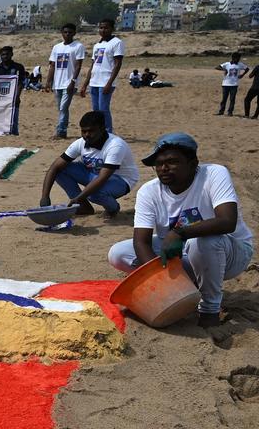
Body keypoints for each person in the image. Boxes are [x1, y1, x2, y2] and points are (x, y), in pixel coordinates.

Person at [107, 133, 253, 327]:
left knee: (203, 240)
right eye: (158, 164)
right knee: (118, 253)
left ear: (193, 163)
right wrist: (163, 285)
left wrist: (179, 232)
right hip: (181, 252)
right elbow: (141, 241)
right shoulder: (149, 191)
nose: (163, 168)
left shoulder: (214, 174)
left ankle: (210, 309)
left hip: (231, 253)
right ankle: (183, 285)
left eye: (172, 162)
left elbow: (227, 221)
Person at [39, 110, 138, 218]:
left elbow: (102, 178)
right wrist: (45, 197)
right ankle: (83, 207)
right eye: (83, 131)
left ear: (102, 128)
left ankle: (113, 209)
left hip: (121, 180)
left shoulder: (115, 146)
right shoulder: (80, 143)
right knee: (60, 170)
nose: (87, 135)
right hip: (94, 174)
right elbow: (54, 167)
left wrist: (79, 197)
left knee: (94, 193)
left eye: (91, 131)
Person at [80, 19, 125, 133]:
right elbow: (93, 65)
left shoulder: (116, 43)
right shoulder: (97, 45)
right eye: (101, 28)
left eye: (106, 28)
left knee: (103, 109)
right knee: (96, 110)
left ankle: (108, 132)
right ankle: (99, 131)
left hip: (106, 81)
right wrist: (85, 84)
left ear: (112, 29)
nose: (103, 30)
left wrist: (109, 83)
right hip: (94, 81)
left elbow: (118, 64)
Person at [45, 23, 85, 139]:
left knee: (63, 107)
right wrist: (48, 81)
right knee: (61, 108)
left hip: (69, 83)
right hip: (57, 83)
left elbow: (78, 65)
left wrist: (73, 81)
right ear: (62, 33)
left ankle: (61, 131)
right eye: (65, 32)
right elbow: (52, 65)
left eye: (70, 32)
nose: (67, 34)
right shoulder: (57, 47)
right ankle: (63, 131)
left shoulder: (78, 46)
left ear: (74, 33)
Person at [0, 46, 28, 136]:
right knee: (0, 117)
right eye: (3, 54)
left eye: (7, 54)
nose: (5, 56)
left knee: (13, 117)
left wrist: (17, 96)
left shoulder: (18, 67)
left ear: (12, 54)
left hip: (14, 97)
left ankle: (14, 133)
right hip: (0, 98)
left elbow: (21, 83)